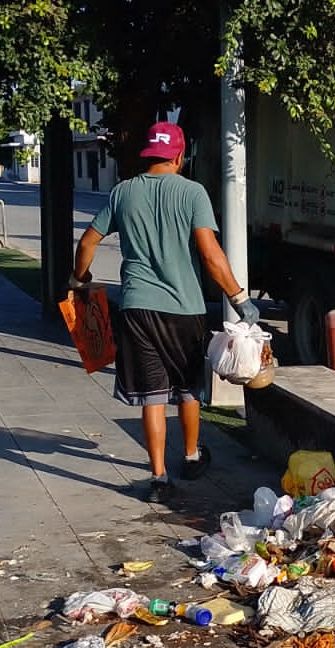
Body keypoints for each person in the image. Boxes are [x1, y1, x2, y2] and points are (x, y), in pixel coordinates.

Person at [72, 122, 260, 503]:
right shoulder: (193, 193)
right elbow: (210, 254)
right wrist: (240, 299)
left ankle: (158, 478)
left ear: (149, 156)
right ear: (178, 156)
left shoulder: (123, 191)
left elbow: (88, 240)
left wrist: (80, 279)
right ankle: (191, 457)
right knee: (189, 389)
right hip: (185, 309)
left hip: (138, 307)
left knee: (151, 396)